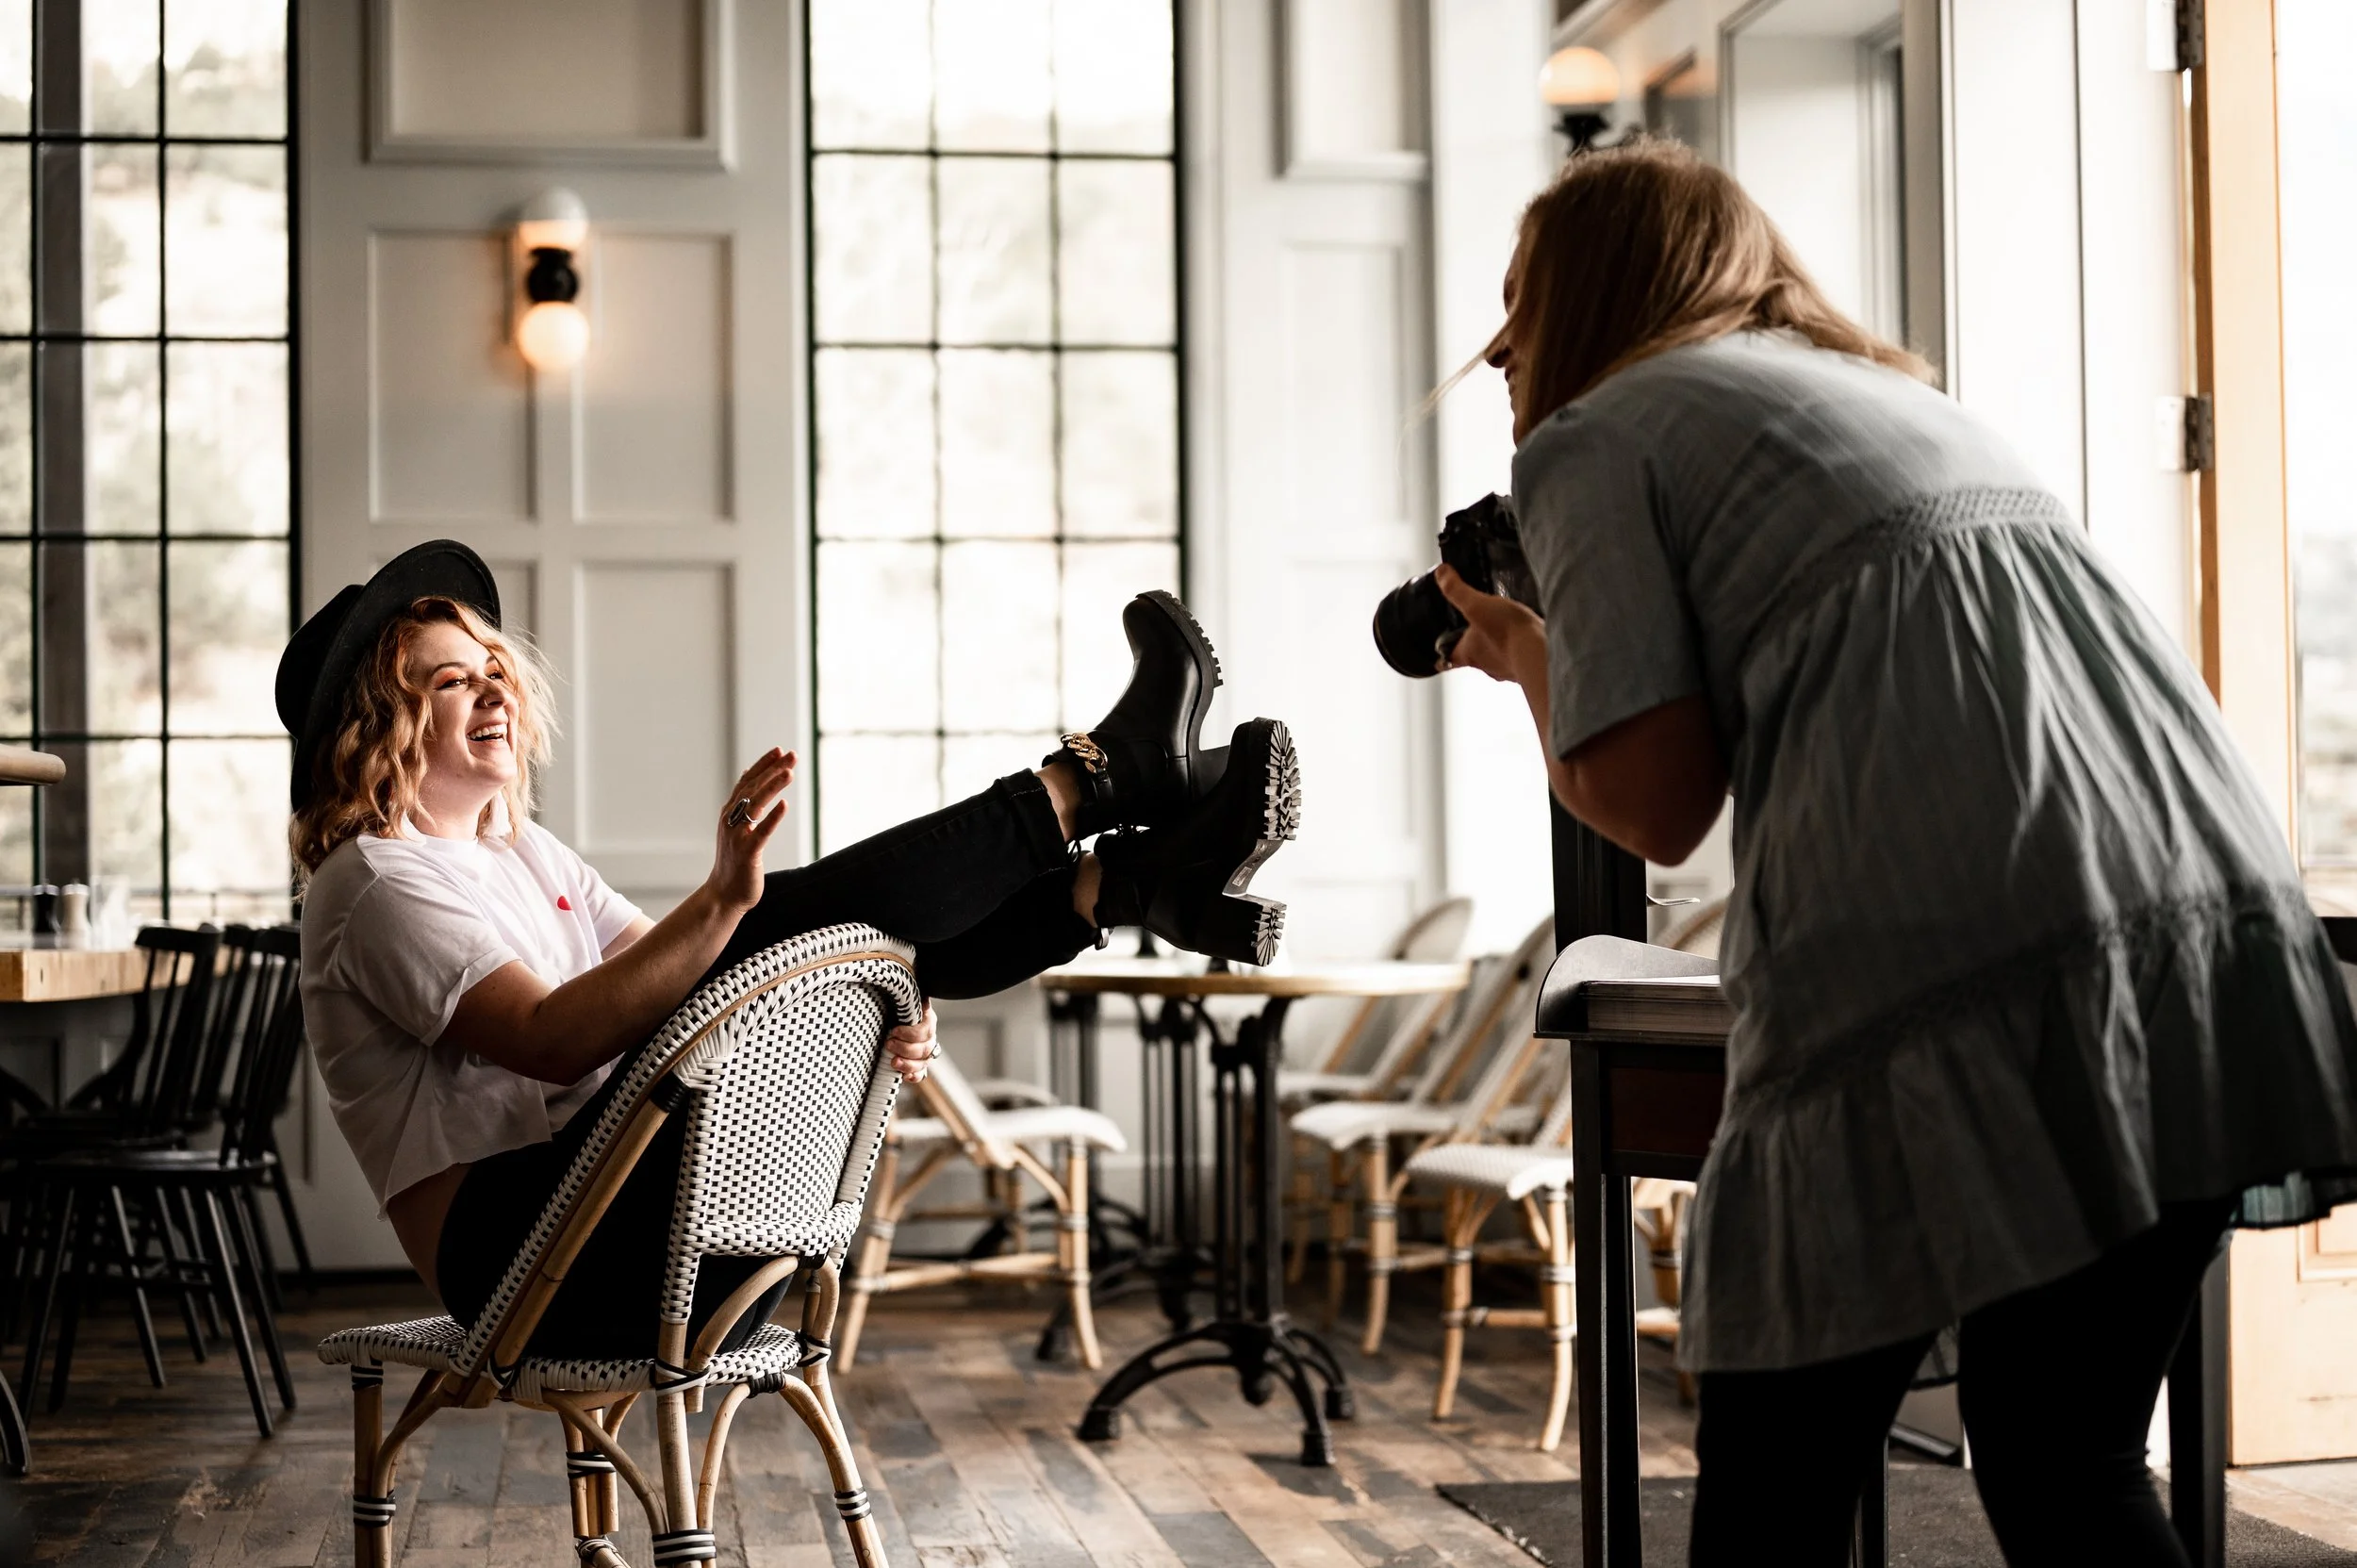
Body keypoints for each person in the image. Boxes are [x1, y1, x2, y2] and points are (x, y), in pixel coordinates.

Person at [1439, 140, 2357, 1566]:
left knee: (1774, 1493)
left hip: (1963, 960)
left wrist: (1522, 653)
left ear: (1607, 296)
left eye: (1523, 302)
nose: (1500, 346)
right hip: (2207, 924)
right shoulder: (1896, 401)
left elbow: (1655, 800)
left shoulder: (1596, 433)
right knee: (2069, 1455)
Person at [279, 540, 1296, 1360]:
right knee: (758, 917)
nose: (495, 692)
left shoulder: (524, 851)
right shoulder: (370, 880)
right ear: (380, 725)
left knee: (776, 929)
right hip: (536, 1272)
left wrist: (876, 985)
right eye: (451, 681)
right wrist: (738, 906)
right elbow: (552, 1038)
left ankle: (1122, 879)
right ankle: (1105, 800)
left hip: (675, 1237)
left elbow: (686, 978)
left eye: (495, 670)